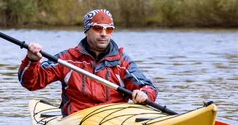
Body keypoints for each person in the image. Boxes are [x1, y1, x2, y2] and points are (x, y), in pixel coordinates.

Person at [18, 9, 157, 115]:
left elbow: (148, 87)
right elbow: (31, 83)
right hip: (76, 119)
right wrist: (32, 61)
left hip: (114, 118)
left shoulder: (122, 62)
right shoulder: (66, 59)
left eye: (108, 29)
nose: (103, 34)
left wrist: (144, 93)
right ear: (86, 31)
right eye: (98, 28)